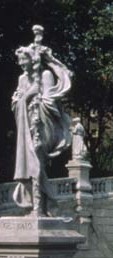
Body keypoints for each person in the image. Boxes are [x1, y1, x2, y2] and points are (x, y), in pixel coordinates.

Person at [12, 25, 72, 215]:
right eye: (19, 61)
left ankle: (41, 206)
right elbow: (17, 99)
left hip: (42, 124)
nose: (21, 64)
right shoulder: (22, 79)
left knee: (37, 162)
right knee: (31, 163)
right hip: (26, 125)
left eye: (24, 60)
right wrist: (20, 100)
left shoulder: (44, 75)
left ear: (31, 60)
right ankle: (44, 205)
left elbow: (49, 99)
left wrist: (48, 59)